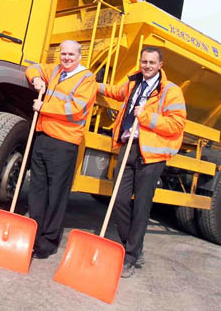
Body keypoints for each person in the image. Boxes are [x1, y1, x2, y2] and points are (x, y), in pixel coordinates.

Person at [98, 47, 186, 277]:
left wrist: (145, 117)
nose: (147, 65)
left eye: (151, 62)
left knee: (142, 206)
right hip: (129, 147)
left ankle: (131, 256)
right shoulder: (133, 84)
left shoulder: (170, 91)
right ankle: (132, 244)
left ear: (160, 65)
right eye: (144, 61)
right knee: (119, 199)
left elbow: (176, 124)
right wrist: (92, 84)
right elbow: (115, 92)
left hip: (151, 154)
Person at [25, 40, 97, 259]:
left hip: (64, 143)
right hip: (42, 137)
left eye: (71, 55)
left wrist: (43, 106)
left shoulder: (87, 78)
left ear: (79, 56)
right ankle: (32, 235)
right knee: (37, 191)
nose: (66, 58)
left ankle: (47, 242)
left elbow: (76, 109)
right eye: (63, 54)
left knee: (56, 195)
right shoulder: (56, 69)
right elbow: (33, 67)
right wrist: (36, 78)